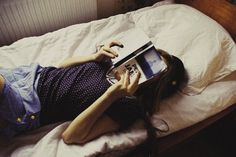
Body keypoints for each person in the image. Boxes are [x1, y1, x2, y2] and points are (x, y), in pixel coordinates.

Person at [0, 41, 187, 146]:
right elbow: (59, 69)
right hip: (28, 75)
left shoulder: (128, 105)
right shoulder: (110, 64)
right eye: (145, 59)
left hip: (28, 103)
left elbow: (71, 136)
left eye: (150, 69)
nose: (139, 65)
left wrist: (111, 96)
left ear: (154, 84)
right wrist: (93, 57)